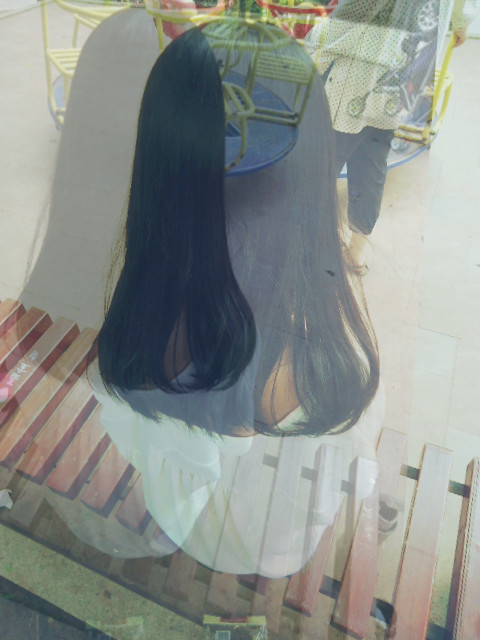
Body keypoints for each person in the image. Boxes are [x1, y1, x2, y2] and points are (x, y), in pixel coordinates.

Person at [46, 18, 383, 578]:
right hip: (268, 558)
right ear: (313, 182)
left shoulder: (131, 342)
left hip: (175, 528)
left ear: (154, 175)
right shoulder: (333, 372)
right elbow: (337, 500)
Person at [306, 0, 478, 273]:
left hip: (359, 74)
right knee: (371, 163)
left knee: (322, 165)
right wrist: (460, 24)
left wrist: (313, 47)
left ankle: (307, 248)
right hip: (402, 76)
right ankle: (356, 252)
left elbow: (353, 14)